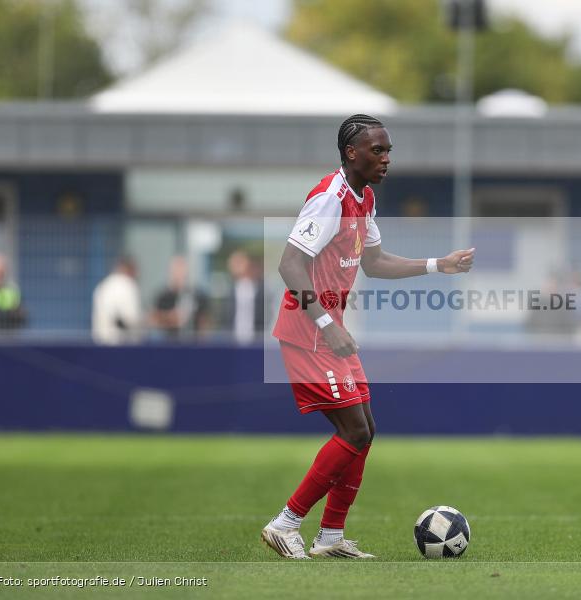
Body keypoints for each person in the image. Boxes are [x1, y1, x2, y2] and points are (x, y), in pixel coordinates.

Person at [262, 114, 475, 560]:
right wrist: (326, 325)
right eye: (377, 150)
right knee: (355, 430)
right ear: (350, 153)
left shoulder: (365, 198)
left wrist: (440, 264)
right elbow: (289, 265)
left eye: (388, 150)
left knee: (365, 430)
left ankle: (331, 537)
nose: (386, 159)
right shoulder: (329, 198)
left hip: (330, 333)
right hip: (309, 331)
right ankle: (286, 522)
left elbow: (374, 263)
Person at [151, 256, 210, 339]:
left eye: (181, 269)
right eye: (176, 270)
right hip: (168, 343)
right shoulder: (163, 296)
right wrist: (171, 318)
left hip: (192, 343)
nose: (179, 273)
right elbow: (155, 319)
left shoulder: (196, 295)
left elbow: (203, 321)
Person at [92, 257, 143, 345]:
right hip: (123, 344)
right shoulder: (128, 284)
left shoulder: (102, 285)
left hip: (100, 343)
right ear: (128, 269)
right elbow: (131, 319)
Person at [226, 250, 265, 344]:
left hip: (257, 339)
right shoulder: (231, 289)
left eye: (239, 262)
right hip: (232, 339)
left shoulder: (259, 288)